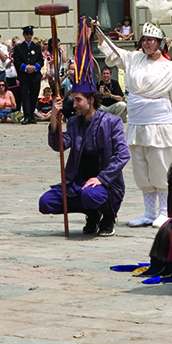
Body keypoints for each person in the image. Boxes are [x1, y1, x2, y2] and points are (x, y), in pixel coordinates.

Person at [96, 20, 172, 228]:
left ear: (159, 43)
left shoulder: (171, 70)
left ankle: (165, 211)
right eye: (144, 40)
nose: (146, 44)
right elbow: (115, 52)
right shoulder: (135, 58)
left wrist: (167, 120)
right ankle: (148, 212)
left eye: (151, 40)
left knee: (160, 166)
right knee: (141, 167)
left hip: (159, 124)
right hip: (137, 123)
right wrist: (98, 31)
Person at [37, 79, 130, 237]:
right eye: (73, 100)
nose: (74, 105)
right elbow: (59, 145)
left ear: (91, 99)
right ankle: (92, 214)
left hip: (105, 184)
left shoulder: (112, 122)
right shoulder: (74, 122)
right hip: (77, 182)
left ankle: (108, 216)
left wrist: (101, 178)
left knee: (90, 195)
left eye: (78, 100)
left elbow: (123, 154)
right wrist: (53, 117)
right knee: (46, 202)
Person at [12, 26, 44, 125]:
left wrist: (35, 67)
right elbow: (17, 62)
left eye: (30, 34)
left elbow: (40, 60)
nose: (29, 36)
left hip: (35, 76)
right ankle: (27, 116)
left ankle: (32, 116)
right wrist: (26, 68)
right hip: (24, 76)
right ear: (24, 35)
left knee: (34, 96)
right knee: (25, 96)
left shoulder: (37, 47)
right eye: (27, 34)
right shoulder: (19, 48)